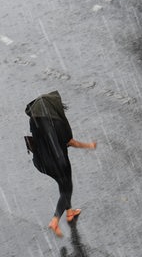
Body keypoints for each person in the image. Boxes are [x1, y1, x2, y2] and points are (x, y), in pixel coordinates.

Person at [25, 91, 96, 237]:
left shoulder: (34, 120)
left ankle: (70, 213)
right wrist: (89, 146)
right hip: (59, 162)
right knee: (66, 190)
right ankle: (55, 220)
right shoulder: (57, 122)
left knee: (62, 185)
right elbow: (70, 142)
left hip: (41, 163)